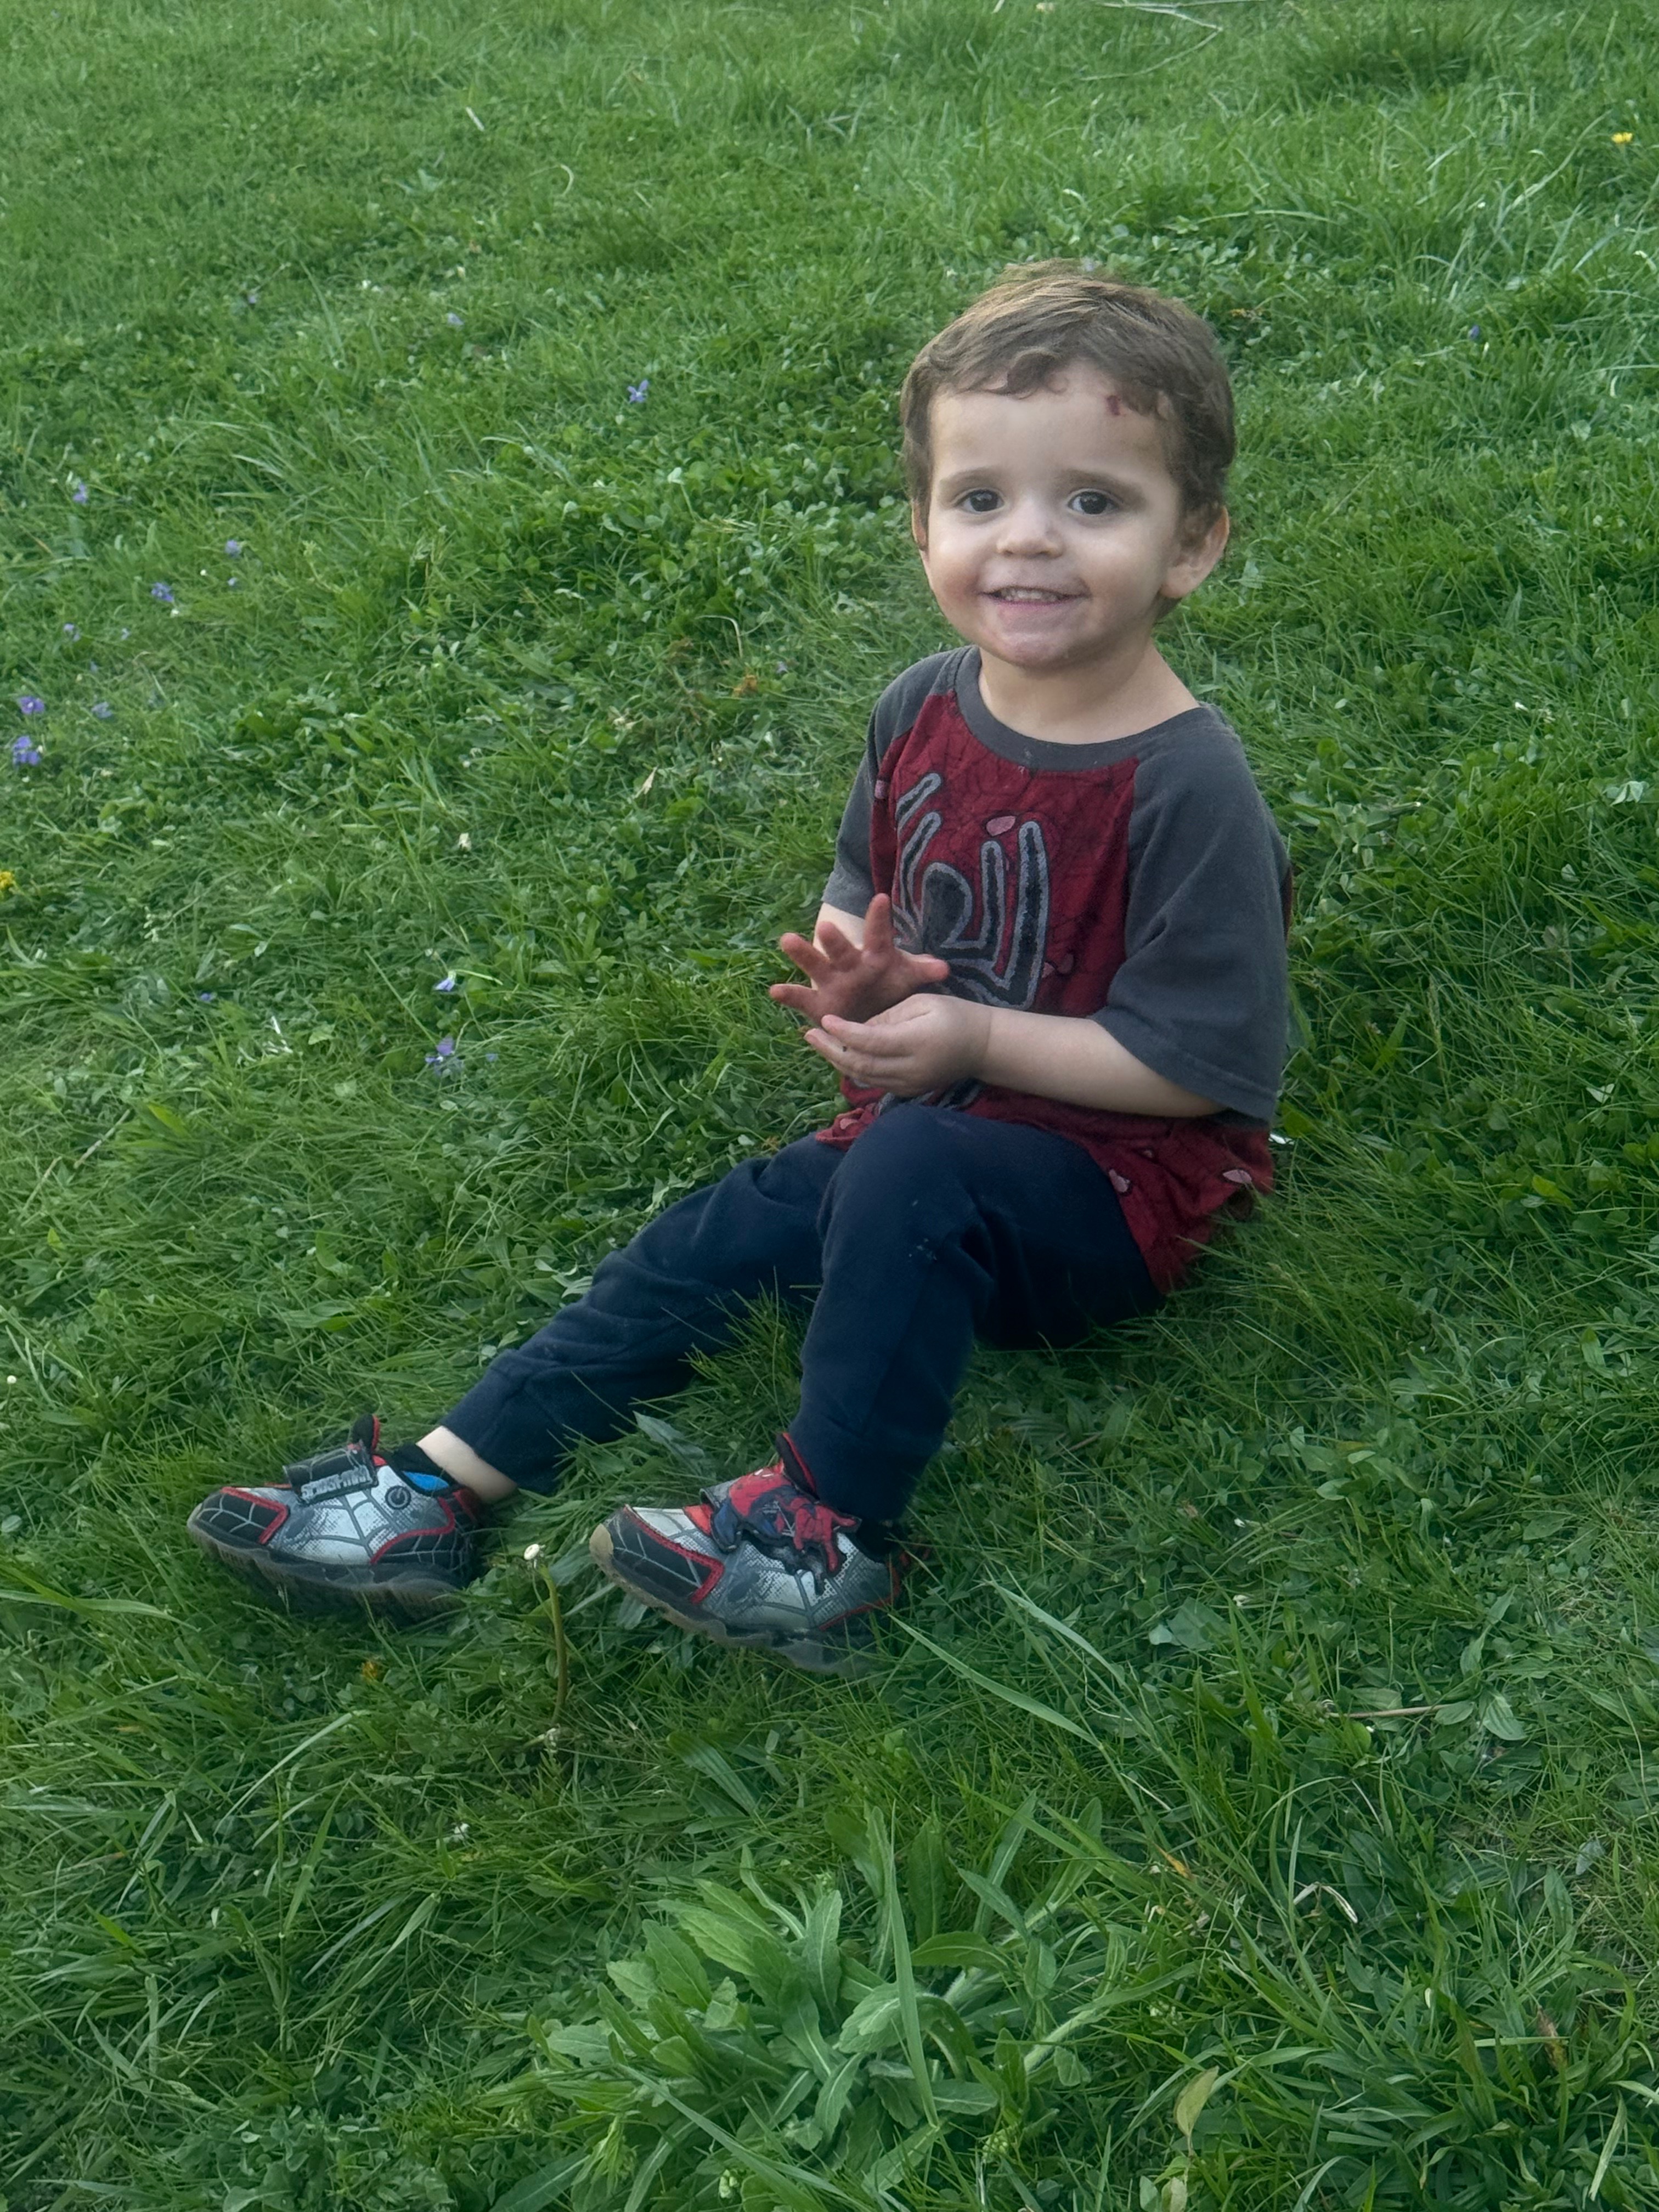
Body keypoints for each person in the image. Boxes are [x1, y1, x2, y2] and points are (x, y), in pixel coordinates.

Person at [187, 263, 1292, 1676]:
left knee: (906, 1170)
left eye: (1094, 501)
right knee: (734, 1225)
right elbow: (864, 892)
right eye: (981, 499)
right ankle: (437, 1485)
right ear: (922, 525)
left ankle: (824, 1539)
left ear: (1191, 545)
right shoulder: (921, 707)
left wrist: (970, 1043)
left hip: (1120, 1196)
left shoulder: (1185, 781)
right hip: (929, 1142)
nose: (1029, 539)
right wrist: (859, 980)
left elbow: (1199, 1069)